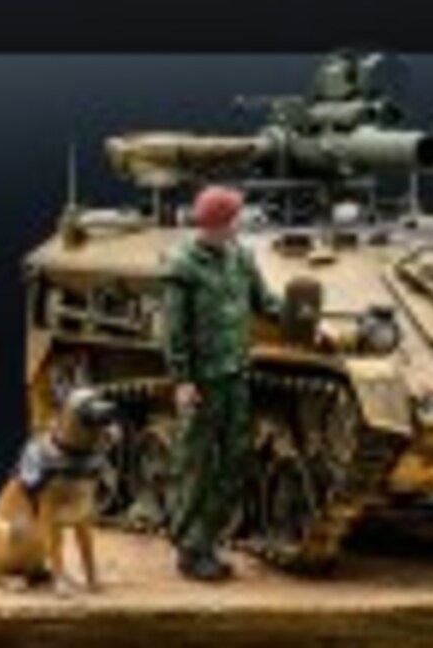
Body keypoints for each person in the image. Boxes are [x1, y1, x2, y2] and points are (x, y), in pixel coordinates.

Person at [161, 185, 281, 581]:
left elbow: (265, 303)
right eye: (234, 219)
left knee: (234, 461)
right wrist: (182, 380)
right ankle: (189, 548)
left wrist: (305, 317)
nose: (239, 225)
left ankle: (207, 540)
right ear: (217, 222)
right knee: (195, 465)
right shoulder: (183, 265)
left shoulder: (240, 257)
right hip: (203, 382)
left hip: (235, 376)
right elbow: (174, 330)